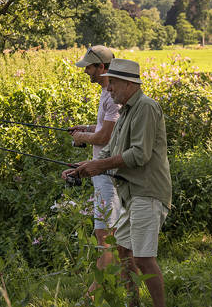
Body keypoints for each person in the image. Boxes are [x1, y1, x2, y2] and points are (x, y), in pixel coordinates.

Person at [63, 58, 171, 307]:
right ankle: (134, 303)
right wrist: (79, 170)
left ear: (128, 83)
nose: (108, 87)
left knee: (144, 258)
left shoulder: (146, 107)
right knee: (122, 252)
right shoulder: (125, 112)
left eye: (112, 82)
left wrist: (99, 166)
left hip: (148, 193)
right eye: (108, 82)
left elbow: (139, 155)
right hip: (132, 195)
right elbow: (108, 150)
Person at [67, 45, 121, 290]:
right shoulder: (105, 92)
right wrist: (85, 129)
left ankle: (95, 294)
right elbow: (102, 130)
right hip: (100, 173)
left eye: (89, 67)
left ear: (101, 66)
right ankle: (116, 284)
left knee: (105, 237)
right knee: (105, 235)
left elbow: (106, 137)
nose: (85, 71)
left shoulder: (114, 95)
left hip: (109, 174)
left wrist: (82, 138)